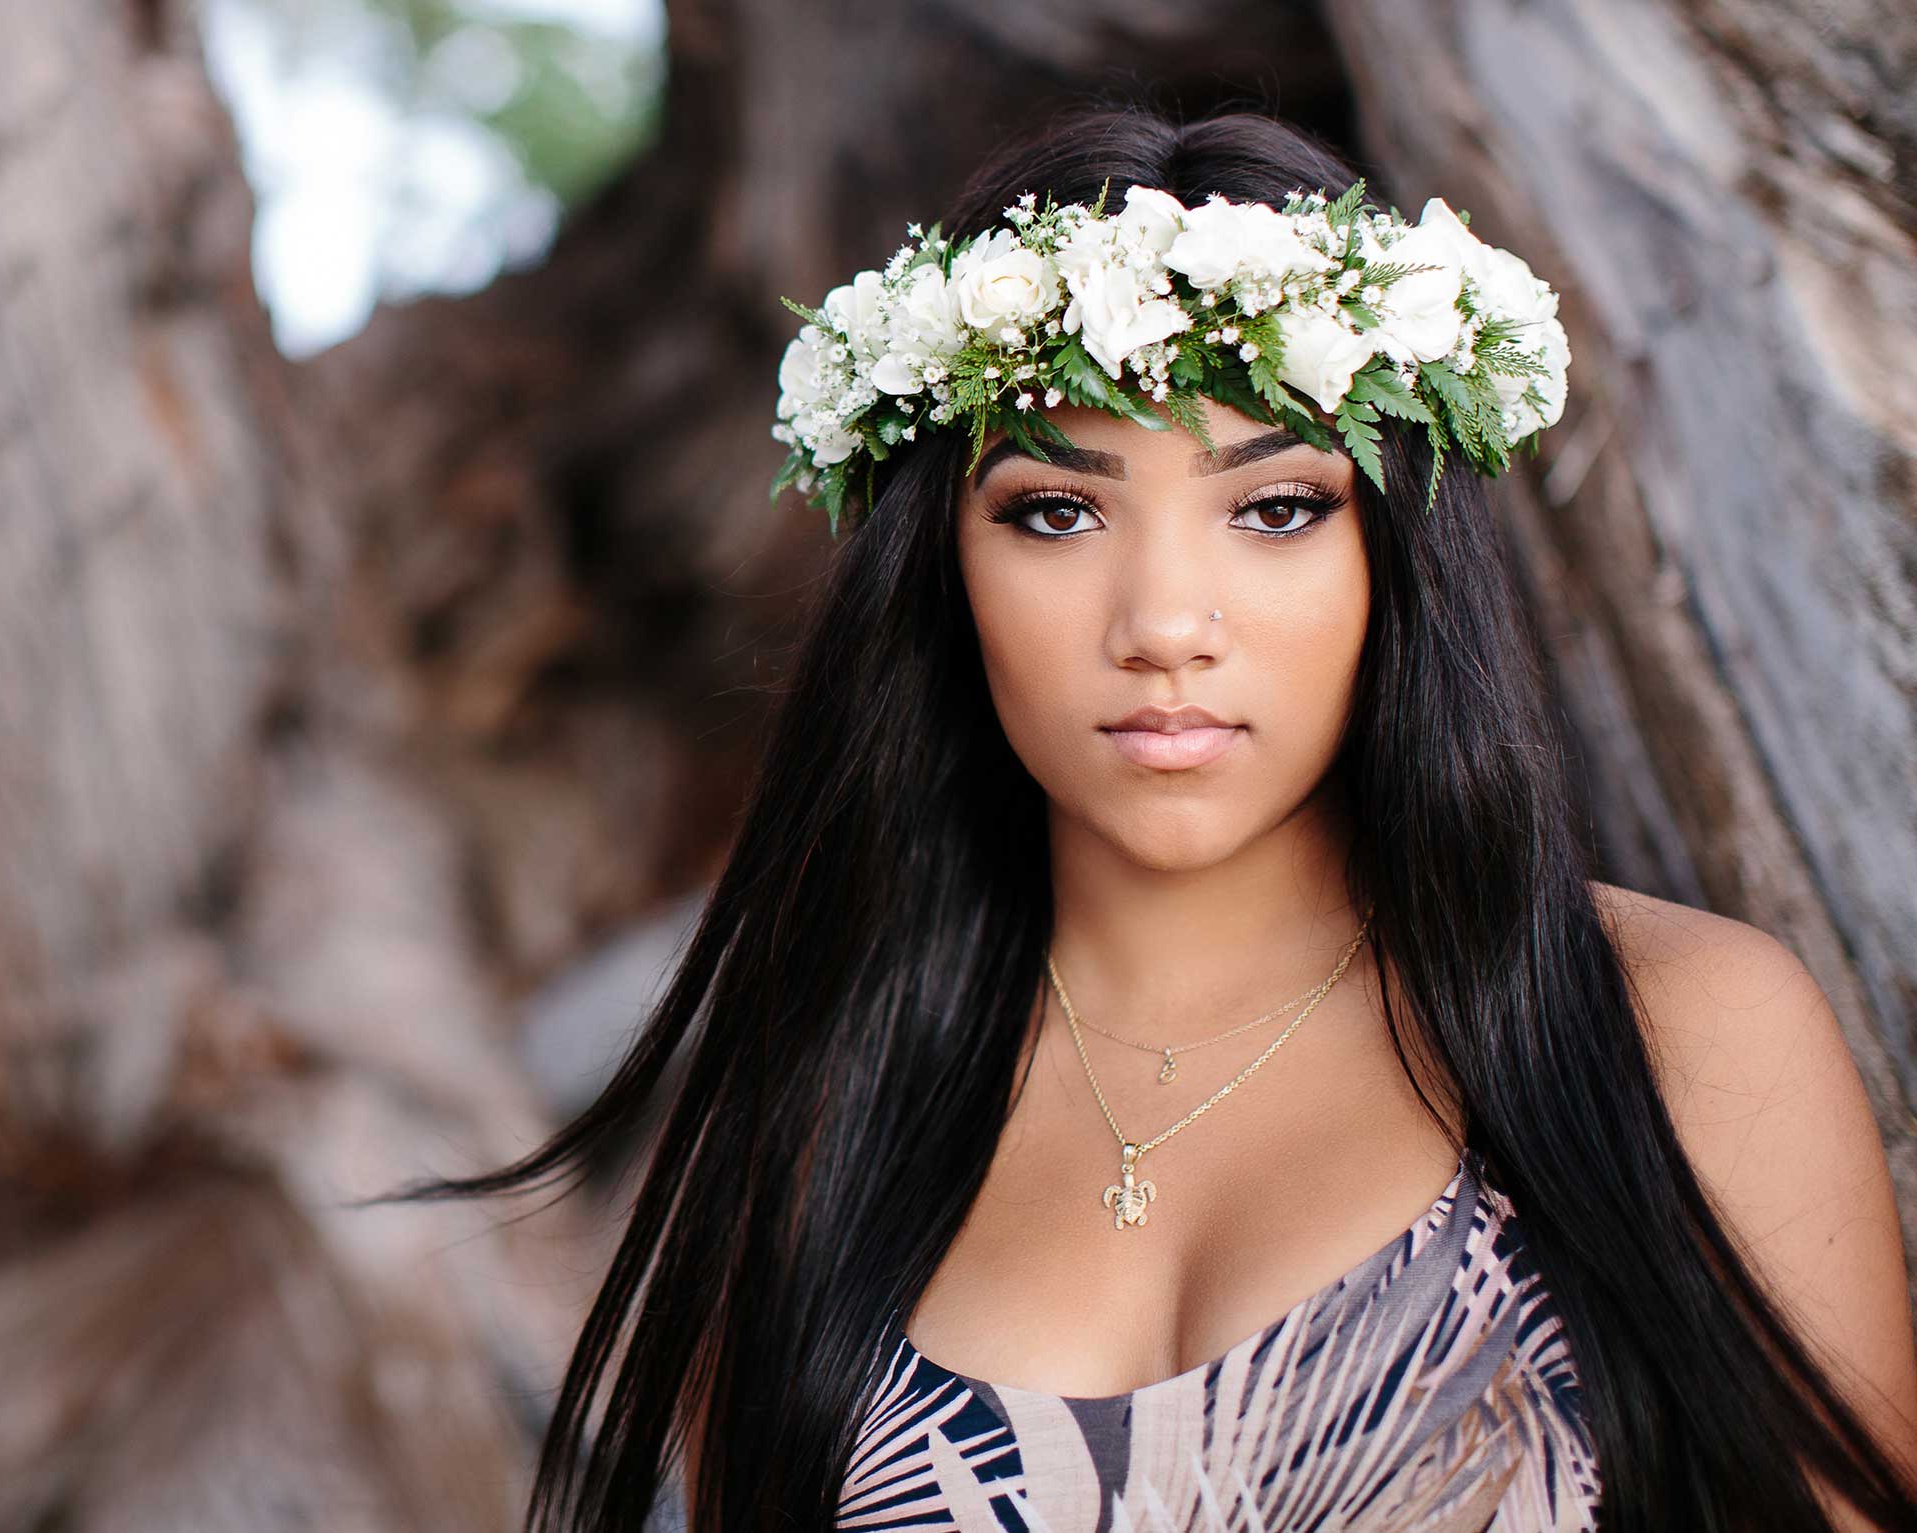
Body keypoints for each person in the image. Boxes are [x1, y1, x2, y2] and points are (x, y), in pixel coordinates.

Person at [369, 105, 1917, 1532]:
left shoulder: (1676, 1040)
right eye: (1057, 510)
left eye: (1275, 507)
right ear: (945, 570)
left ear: (1394, 552)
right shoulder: (830, 1112)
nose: (1167, 621)